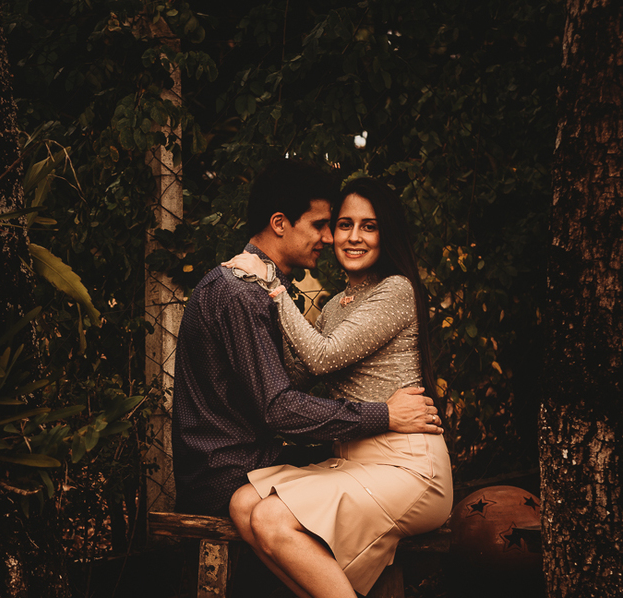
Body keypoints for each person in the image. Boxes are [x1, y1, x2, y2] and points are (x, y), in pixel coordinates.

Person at [225, 176, 453, 598]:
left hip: (409, 469)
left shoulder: (395, 291)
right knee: (243, 503)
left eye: (367, 226)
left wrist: (272, 285)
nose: (351, 236)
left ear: (386, 234)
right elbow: (294, 378)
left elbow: (323, 358)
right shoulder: (333, 309)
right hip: (355, 462)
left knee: (274, 520)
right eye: (343, 224)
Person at [171, 160, 443, 518]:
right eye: (322, 225)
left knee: (347, 467)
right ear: (280, 223)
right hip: (228, 472)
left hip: (240, 459)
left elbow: (294, 377)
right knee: (346, 470)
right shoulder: (244, 292)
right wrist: (385, 414)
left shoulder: (257, 288)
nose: (330, 238)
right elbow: (280, 407)